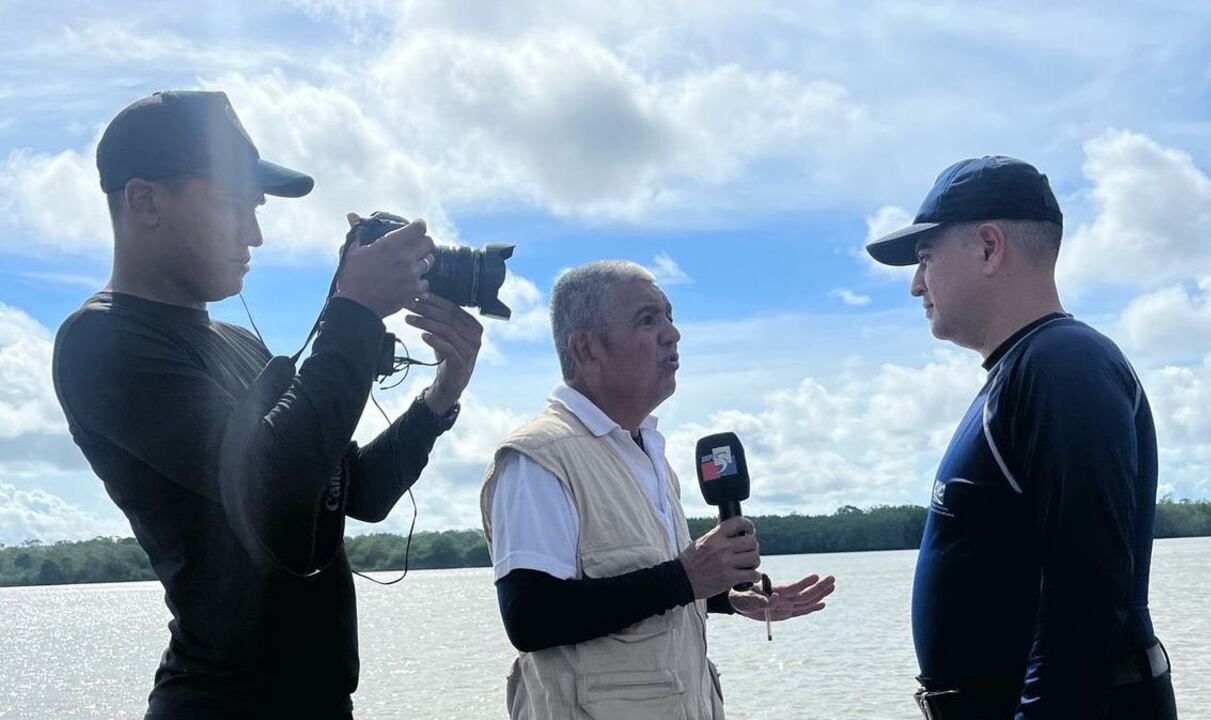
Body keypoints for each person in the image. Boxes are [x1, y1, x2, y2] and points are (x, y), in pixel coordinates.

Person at [51, 90, 483, 719]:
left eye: (254, 210)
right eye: (231, 206)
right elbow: (275, 480)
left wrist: (441, 395)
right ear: (145, 200)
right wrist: (354, 314)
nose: (253, 234)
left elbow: (352, 491)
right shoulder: (102, 340)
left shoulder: (240, 343)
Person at [865, 156, 1177, 719]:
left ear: (988, 247)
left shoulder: (1062, 364)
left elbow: (1085, 601)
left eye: (925, 257)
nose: (916, 284)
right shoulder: (1024, 370)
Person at [479, 261, 836, 719]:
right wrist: (686, 578)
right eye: (648, 320)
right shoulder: (539, 458)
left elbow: (648, 580)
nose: (673, 334)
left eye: (669, 316)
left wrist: (726, 595)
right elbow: (532, 617)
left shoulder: (649, 453)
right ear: (587, 349)